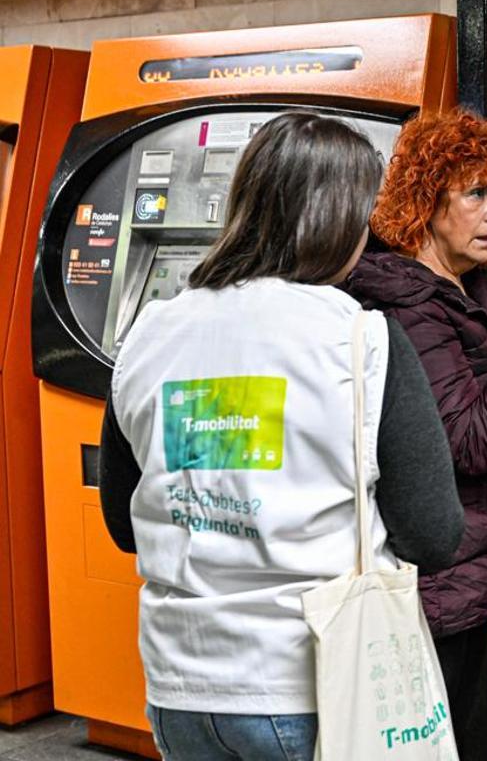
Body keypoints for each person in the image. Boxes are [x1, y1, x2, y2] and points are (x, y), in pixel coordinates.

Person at [99, 112, 464, 761]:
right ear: (341, 221)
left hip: (180, 686)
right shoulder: (361, 338)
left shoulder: (151, 331)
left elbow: (125, 522)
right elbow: (433, 535)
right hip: (308, 683)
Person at [346, 109, 487, 761]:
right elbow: (468, 441)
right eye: (475, 194)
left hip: (469, 569)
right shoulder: (409, 306)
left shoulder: (459, 285)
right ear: (426, 199)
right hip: (447, 578)